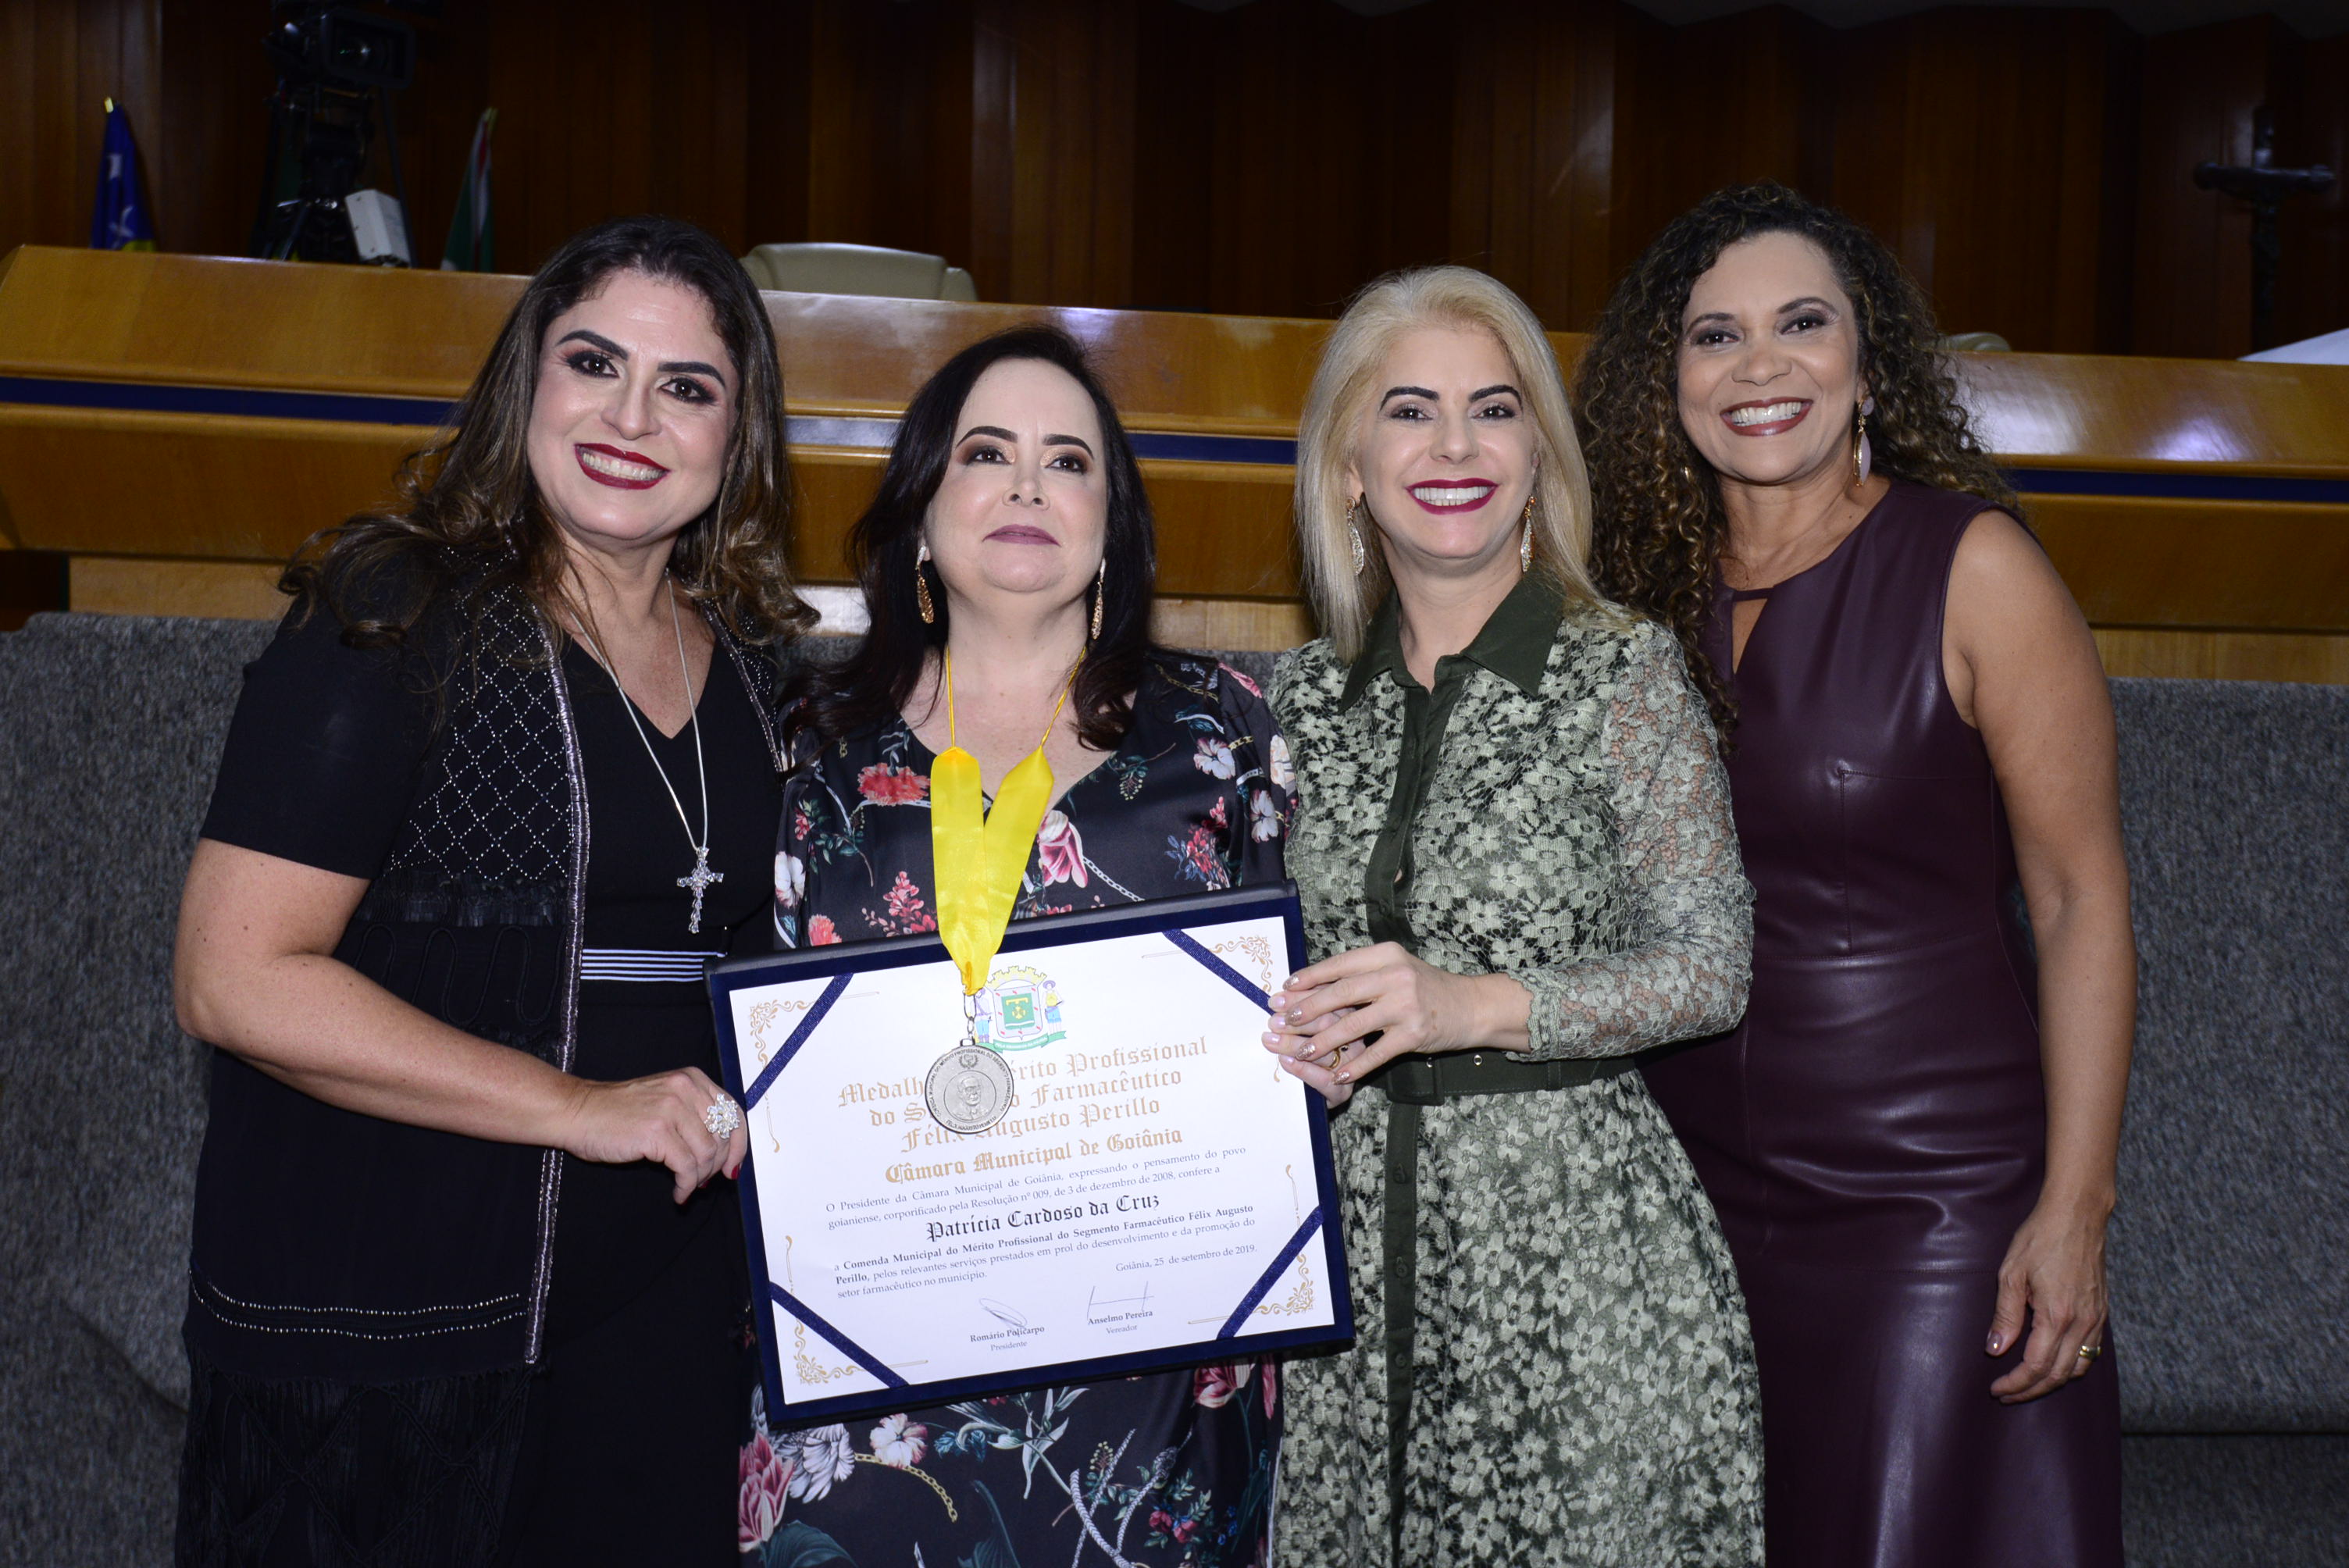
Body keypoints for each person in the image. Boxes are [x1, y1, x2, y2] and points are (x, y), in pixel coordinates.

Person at [172, 215, 809, 1566]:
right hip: (392, 1321)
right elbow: (235, 978)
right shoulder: (392, 612)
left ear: (738, 436)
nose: (630, 417)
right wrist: (580, 1108)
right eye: (594, 363)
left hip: (664, 1323)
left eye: (686, 387)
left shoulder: (756, 663)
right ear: (529, 379)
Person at [1576, 181, 2131, 1566]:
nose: (1759, 366)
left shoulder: (1974, 566)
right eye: (1716, 336)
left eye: (1803, 324)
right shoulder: (1624, 599)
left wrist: (2075, 1208)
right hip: (1683, 1194)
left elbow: (2080, 903)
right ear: (1668, 383)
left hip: (1931, 1200)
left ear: (1868, 363)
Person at [745, 326, 1295, 1566]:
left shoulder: (1220, 730)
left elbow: (1288, 1009)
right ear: (922, 514)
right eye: (987, 453)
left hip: (1150, 1391)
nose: (1030, 486)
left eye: (1069, 462)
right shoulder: (807, 739)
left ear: (1112, 529)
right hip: (871, 1388)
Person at [1264, 265, 1763, 1567]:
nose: (1455, 446)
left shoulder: (1624, 670)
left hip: (1575, 1259)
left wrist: (1466, 1005)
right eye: (1410, 411)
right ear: (1350, 467)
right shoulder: (1294, 703)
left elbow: (1711, 966)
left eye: (1494, 410)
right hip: (1342, 1272)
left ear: (1537, 454)